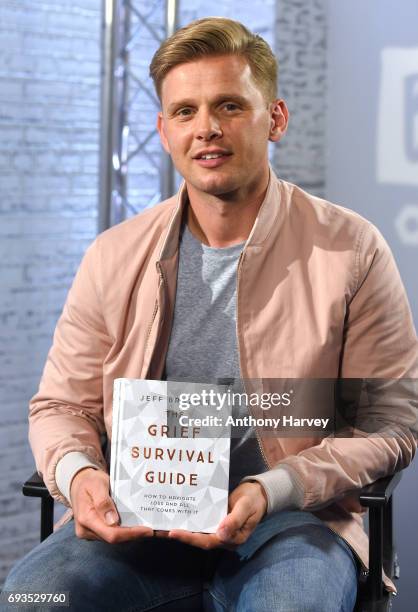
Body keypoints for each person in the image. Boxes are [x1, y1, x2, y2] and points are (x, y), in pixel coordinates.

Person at [2, 16, 417, 612]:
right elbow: (60, 407)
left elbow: (392, 422)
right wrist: (79, 477)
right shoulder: (114, 254)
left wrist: (270, 489)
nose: (207, 129)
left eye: (229, 106)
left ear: (275, 118)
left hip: (293, 521)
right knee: (29, 598)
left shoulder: (351, 248)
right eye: (185, 112)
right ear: (163, 130)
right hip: (137, 522)